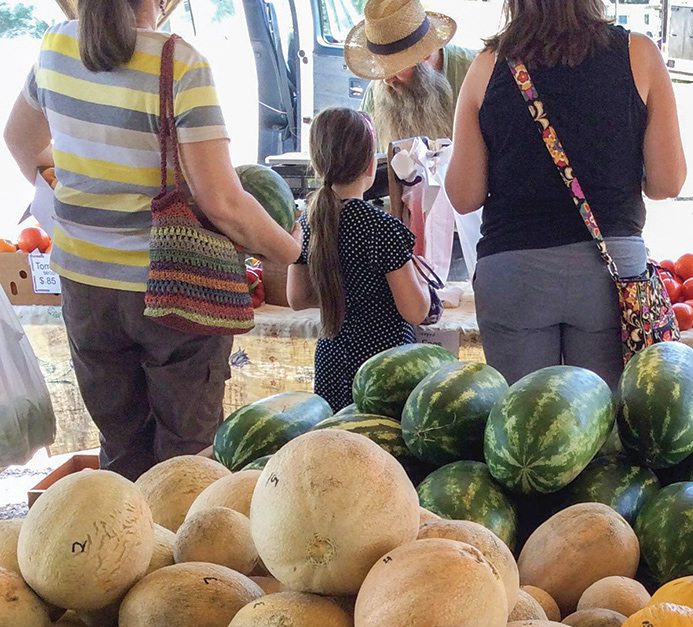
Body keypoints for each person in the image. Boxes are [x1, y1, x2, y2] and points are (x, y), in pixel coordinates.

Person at [3, 0, 301, 481]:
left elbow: (19, 140)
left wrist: (75, 193)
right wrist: (293, 248)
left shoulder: (56, 45)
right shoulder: (179, 63)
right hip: (173, 288)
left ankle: (120, 548)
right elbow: (224, 203)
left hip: (84, 289)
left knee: (121, 447)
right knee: (185, 462)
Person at [445, 0, 687, 388]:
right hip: (611, 276)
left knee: (526, 428)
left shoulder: (487, 66)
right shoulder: (639, 54)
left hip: (513, 274)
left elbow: (464, 196)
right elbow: (667, 182)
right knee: (601, 428)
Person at [286, 108, 429, 411]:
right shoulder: (382, 227)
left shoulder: (309, 222)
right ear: (369, 165)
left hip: (332, 359)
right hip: (383, 366)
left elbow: (297, 298)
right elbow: (416, 310)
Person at [345, 0, 477, 149]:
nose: (387, 80)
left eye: (394, 68)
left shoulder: (476, 75)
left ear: (425, 54)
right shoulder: (378, 92)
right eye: (383, 68)